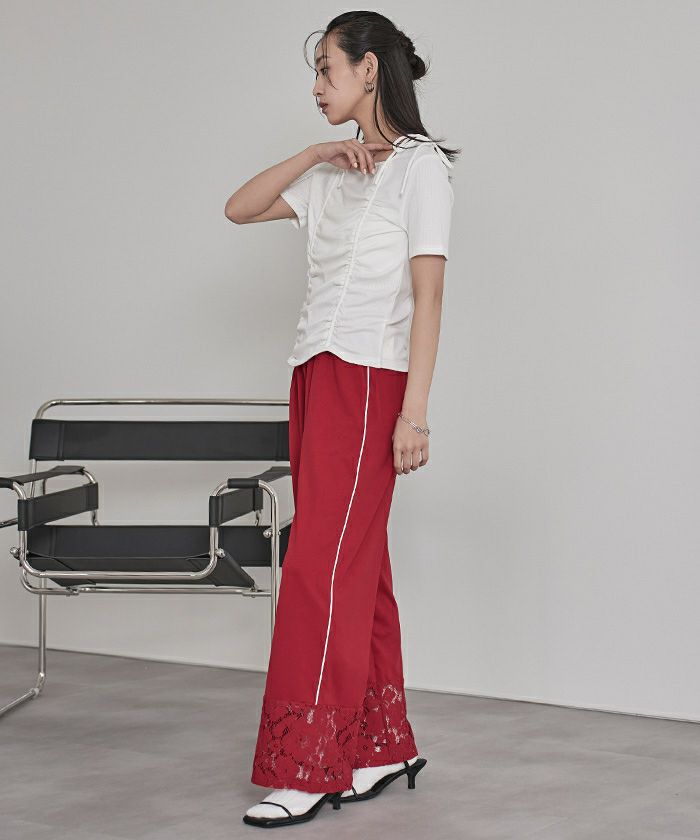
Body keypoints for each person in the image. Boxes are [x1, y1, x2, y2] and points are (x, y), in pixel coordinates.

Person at [225, 10, 458, 828]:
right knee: (359, 563)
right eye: (316, 73)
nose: (318, 86)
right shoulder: (335, 171)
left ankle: (308, 765)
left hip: (369, 382)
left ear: (369, 69)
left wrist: (414, 414)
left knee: (319, 564)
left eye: (327, 69)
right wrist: (317, 152)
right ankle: (383, 746)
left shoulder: (421, 169)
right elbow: (238, 207)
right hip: (314, 375)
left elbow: (429, 296)